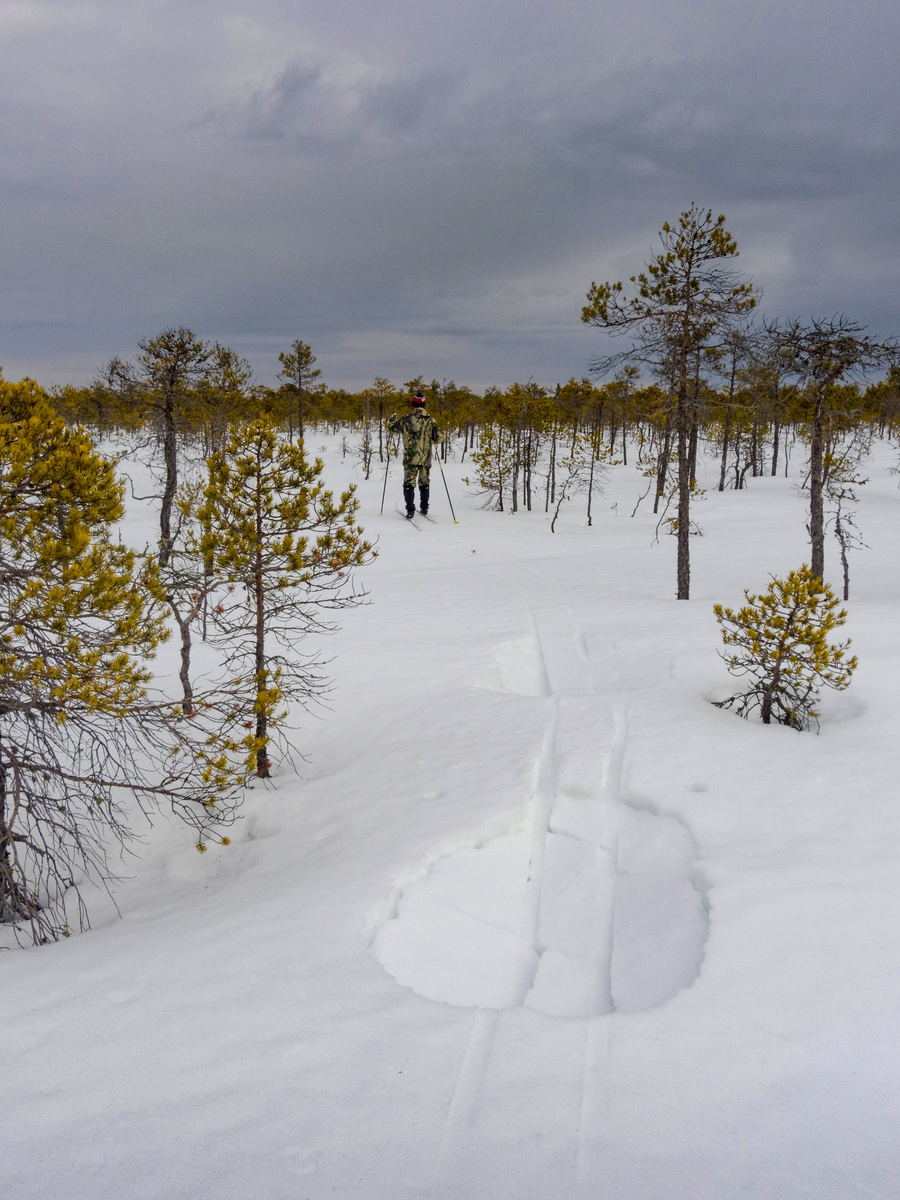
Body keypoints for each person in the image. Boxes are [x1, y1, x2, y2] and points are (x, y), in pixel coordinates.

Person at [387, 391, 441, 517]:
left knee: (409, 483)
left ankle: (410, 510)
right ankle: (424, 508)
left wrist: (392, 419)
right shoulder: (431, 420)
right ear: (424, 406)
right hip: (425, 459)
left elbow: (392, 428)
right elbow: (439, 437)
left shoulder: (406, 419)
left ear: (413, 406)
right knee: (424, 482)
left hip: (410, 458)